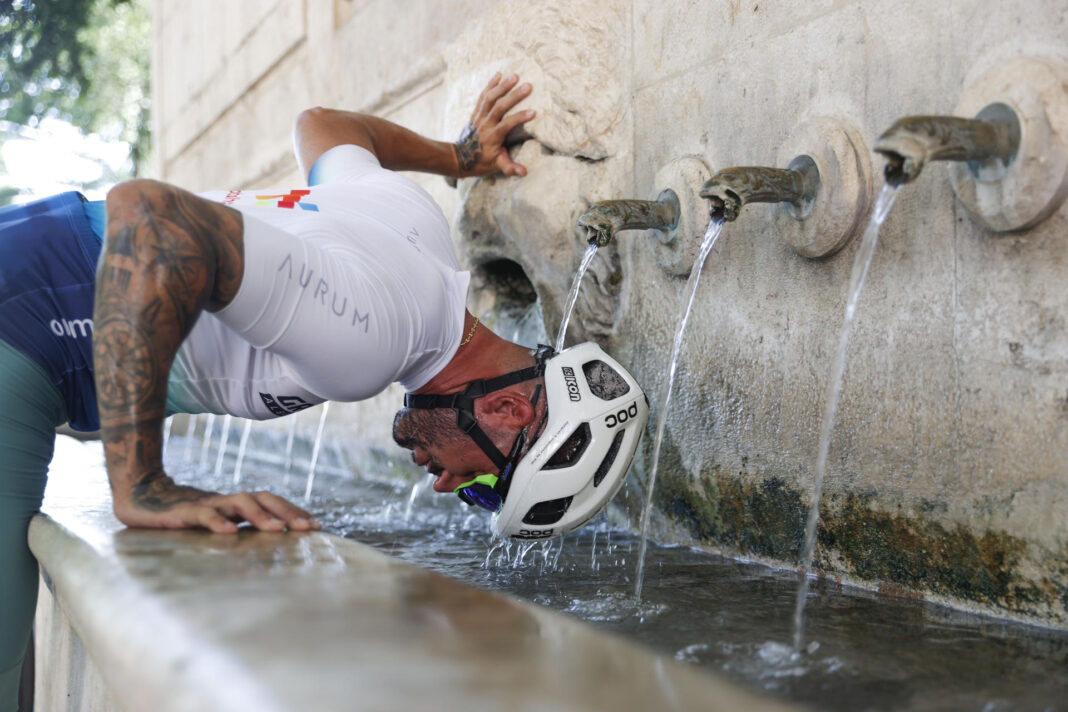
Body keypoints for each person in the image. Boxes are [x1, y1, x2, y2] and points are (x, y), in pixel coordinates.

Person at [0, 72, 647, 711]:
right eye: (482, 485)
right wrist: (141, 482)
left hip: (37, 294)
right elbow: (151, 219)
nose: (447, 487)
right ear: (507, 407)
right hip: (31, 320)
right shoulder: (370, 343)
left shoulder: (418, 228)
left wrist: (458, 158)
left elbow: (322, 126)